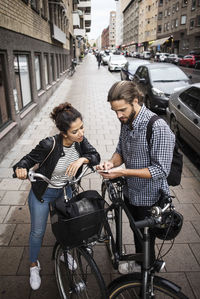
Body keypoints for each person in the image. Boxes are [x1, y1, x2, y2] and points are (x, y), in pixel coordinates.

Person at [13, 102, 100, 290]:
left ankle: (64, 252)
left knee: (67, 226)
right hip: (43, 194)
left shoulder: (81, 142)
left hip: (65, 192)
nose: (81, 133)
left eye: (82, 127)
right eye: (75, 131)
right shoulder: (48, 144)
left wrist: (82, 159)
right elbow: (26, 160)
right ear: (64, 133)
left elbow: (95, 155)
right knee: (38, 231)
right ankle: (33, 265)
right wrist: (21, 168)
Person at [96, 81, 175, 274]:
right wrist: (111, 163)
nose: (118, 115)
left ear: (136, 101)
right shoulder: (127, 121)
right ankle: (141, 266)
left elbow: (161, 170)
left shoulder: (158, 127)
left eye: (122, 110)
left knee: (146, 241)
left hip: (150, 198)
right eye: (115, 111)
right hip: (131, 192)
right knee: (137, 235)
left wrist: (122, 172)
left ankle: (147, 280)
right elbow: (120, 151)